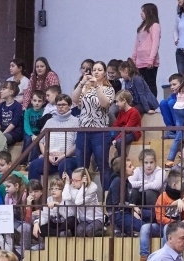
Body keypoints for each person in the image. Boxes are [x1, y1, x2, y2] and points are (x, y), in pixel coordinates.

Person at [72, 61, 115, 190]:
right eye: (94, 69)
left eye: (99, 70)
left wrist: (97, 86)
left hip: (100, 132)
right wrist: (82, 82)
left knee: (103, 165)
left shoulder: (109, 89)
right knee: (81, 166)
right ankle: (82, 196)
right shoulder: (86, 87)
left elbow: (104, 104)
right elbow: (74, 100)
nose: (96, 72)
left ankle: (107, 200)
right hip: (83, 131)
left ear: (104, 73)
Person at [27, 94, 79, 181]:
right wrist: (46, 155)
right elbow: (41, 141)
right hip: (50, 157)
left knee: (64, 166)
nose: (60, 107)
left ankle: (68, 193)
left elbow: (78, 144)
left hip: (68, 158)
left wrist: (64, 155)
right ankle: (34, 193)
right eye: (58, 105)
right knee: (33, 165)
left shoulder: (76, 122)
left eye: (63, 104)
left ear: (69, 106)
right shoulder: (50, 122)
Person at [63, 167, 104, 237]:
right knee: (78, 232)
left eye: (76, 180)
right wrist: (67, 183)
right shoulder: (73, 187)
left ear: (84, 180)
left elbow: (78, 202)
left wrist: (83, 187)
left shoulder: (92, 189)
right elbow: (65, 197)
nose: (73, 183)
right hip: (84, 220)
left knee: (89, 230)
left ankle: (102, 231)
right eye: (72, 180)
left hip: (96, 218)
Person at [132, 3, 161, 96]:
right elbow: (137, 44)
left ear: (149, 12)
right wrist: (133, 58)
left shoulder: (155, 26)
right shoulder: (141, 27)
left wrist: (151, 59)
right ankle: (145, 105)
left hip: (149, 61)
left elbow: (155, 44)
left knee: (150, 83)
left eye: (143, 11)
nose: (141, 13)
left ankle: (152, 105)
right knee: (142, 84)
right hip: (140, 61)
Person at [3, 173, 32, 257]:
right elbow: (7, 211)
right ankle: (9, 250)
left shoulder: (24, 195)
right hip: (15, 220)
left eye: (8, 187)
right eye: (5, 187)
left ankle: (25, 253)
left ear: (16, 185)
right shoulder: (7, 197)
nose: (6, 189)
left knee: (25, 228)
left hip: (25, 220)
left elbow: (27, 212)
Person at [111, 90, 142, 156]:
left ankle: (122, 161)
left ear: (124, 101)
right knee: (106, 137)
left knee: (119, 142)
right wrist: (111, 133)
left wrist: (116, 139)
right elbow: (116, 125)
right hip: (123, 131)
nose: (116, 104)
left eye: (117, 101)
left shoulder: (134, 112)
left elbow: (127, 129)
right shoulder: (121, 112)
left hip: (133, 133)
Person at [22, 90, 46, 161]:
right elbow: (26, 125)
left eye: (39, 101)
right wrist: (31, 134)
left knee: (36, 142)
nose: (37, 103)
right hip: (29, 132)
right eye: (35, 100)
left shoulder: (44, 112)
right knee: (28, 140)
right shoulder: (28, 111)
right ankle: (22, 162)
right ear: (31, 101)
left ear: (43, 102)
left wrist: (40, 135)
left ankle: (33, 161)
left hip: (40, 133)